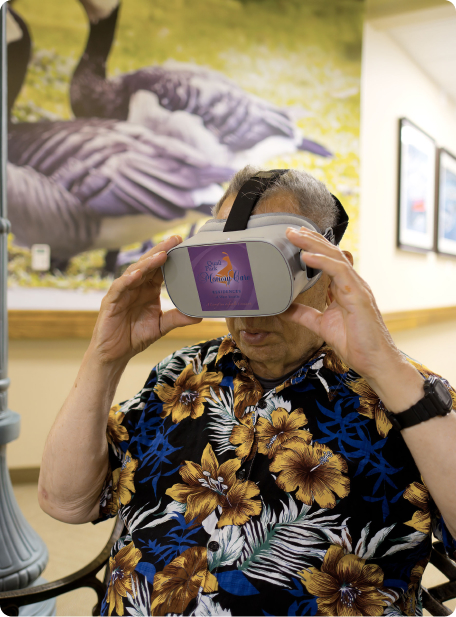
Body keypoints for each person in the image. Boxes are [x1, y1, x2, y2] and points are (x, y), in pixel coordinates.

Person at [38, 167, 456, 617]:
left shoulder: (409, 395)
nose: (247, 310)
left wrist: (385, 368)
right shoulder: (182, 373)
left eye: (268, 273)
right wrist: (104, 357)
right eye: (229, 272)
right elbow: (66, 502)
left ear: (330, 272)